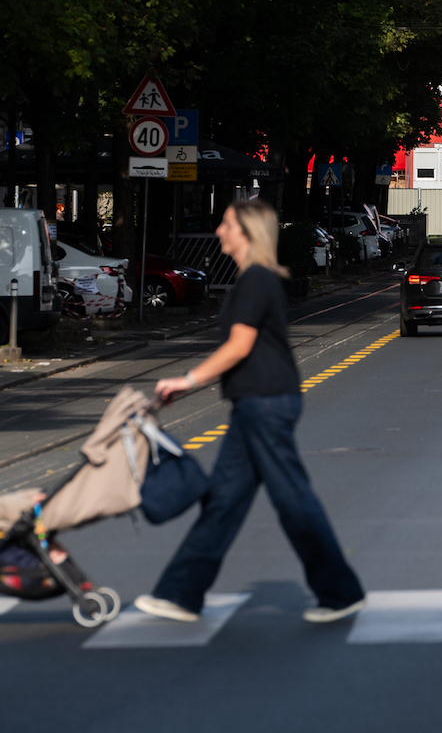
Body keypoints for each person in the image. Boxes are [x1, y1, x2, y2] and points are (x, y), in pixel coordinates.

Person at [134, 197, 366, 625]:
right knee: (224, 501)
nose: (219, 231)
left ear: (246, 232)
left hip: (266, 402)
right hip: (256, 403)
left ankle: (340, 592)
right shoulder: (254, 279)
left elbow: (239, 346)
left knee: (293, 500)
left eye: (226, 224)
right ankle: (181, 593)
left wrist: (187, 381)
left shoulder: (256, 280)